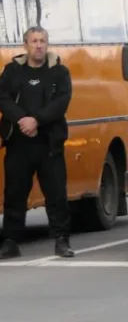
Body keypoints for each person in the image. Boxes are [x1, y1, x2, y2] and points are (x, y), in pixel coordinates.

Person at [0, 26, 75, 259]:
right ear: (26, 45)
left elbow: (62, 101)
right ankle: (11, 241)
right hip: (18, 144)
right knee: (14, 194)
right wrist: (22, 119)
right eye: (34, 41)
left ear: (47, 44)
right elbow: (3, 97)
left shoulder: (59, 72)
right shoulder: (12, 71)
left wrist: (37, 120)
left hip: (49, 144)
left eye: (43, 40)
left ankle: (61, 240)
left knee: (56, 195)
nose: (39, 45)